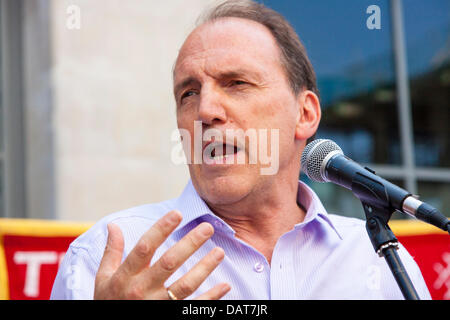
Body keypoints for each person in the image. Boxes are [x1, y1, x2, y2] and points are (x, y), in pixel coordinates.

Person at [51, 0, 431, 300]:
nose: (205, 111)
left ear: (305, 114)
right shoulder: (107, 259)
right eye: (188, 93)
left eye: (236, 83)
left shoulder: (378, 260)